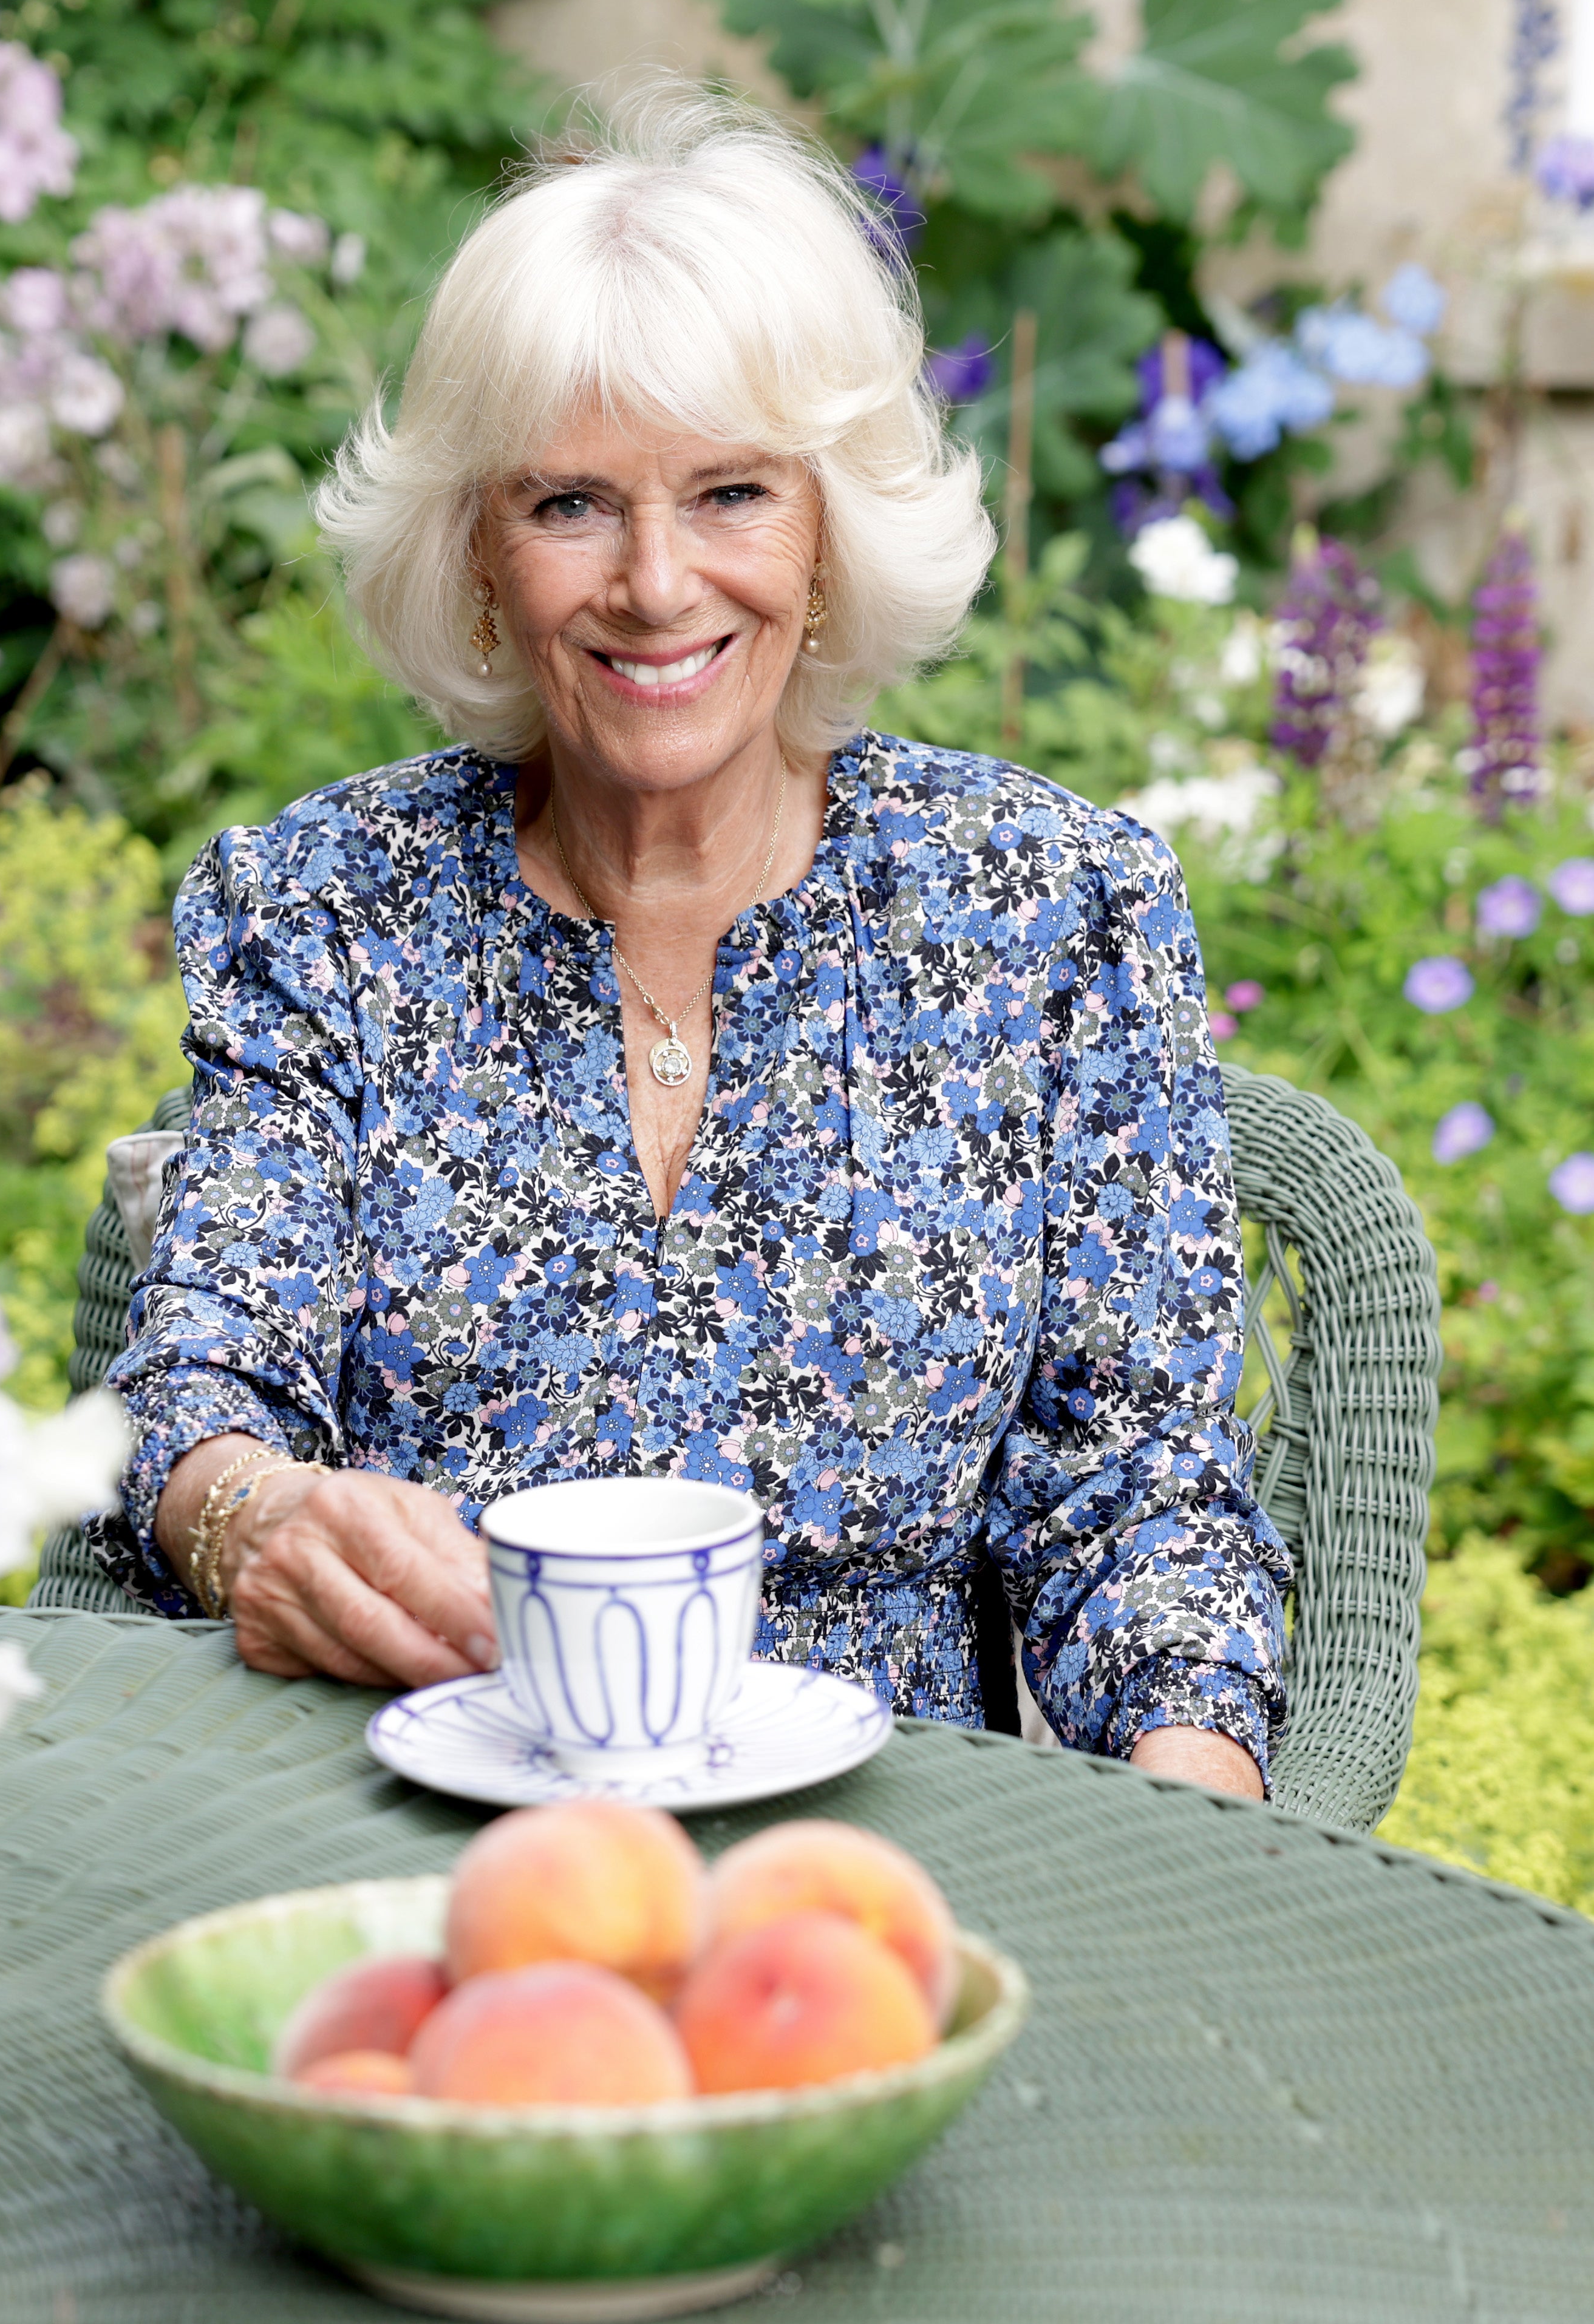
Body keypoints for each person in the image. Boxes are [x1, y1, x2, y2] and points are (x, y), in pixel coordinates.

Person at [89, 87, 1290, 1799]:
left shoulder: (1052, 908)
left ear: (827, 535)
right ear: (480, 555)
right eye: (572, 504)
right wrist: (254, 1519)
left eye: (730, 493)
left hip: (885, 1862)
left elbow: (1137, 1490)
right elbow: (205, 1375)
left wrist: (1186, 1842)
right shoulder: (324, 910)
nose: (656, 585)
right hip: (416, 1822)